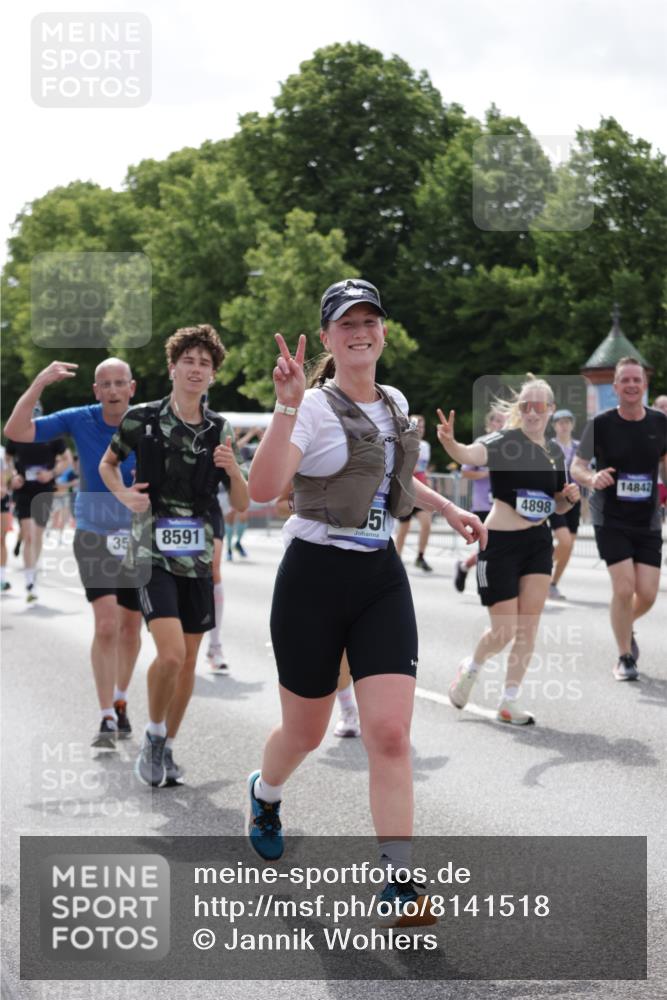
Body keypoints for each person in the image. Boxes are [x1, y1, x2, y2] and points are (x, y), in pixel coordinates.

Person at [245, 278, 485, 925]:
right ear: (326, 337)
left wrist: (449, 507)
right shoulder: (313, 408)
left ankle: (398, 882)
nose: (359, 331)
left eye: (369, 320)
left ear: (381, 331)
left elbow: (395, 481)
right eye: (344, 322)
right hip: (312, 580)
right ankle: (265, 794)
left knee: (388, 732)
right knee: (305, 731)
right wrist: (286, 407)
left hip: (379, 577)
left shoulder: (394, 401)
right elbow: (263, 490)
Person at [99, 324, 249, 786]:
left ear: (212, 375)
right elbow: (108, 463)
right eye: (189, 360)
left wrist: (233, 470)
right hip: (151, 552)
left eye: (205, 363)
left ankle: (164, 743)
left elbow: (242, 503)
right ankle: (152, 734)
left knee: (186, 662)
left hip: (198, 556)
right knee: (167, 656)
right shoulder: (141, 419)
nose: (197, 369)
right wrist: (124, 495)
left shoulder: (219, 428)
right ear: (173, 367)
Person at [4, 360, 144, 751]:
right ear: (96, 391)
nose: (113, 390)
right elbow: (15, 431)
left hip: (137, 536)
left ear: (131, 388)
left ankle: (121, 699)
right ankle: (104, 715)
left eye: (120, 383)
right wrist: (39, 383)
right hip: (93, 532)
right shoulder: (79, 418)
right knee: (105, 626)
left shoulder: (147, 421)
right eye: (105, 385)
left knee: (131, 628)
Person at [438, 375, 580, 725]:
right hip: (499, 544)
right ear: (520, 410)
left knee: (528, 628)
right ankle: (471, 668)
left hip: (537, 544)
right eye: (526, 406)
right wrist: (451, 443)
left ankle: (509, 699)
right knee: (503, 631)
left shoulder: (554, 452)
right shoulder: (505, 440)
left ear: (549, 409)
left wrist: (568, 498)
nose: (532, 412)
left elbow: (558, 504)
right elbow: (471, 454)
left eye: (539, 406)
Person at [571, 358, 667, 681]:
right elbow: (577, 466)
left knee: (649, 593)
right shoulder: (600, 424)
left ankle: (623, 623)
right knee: (624, 588)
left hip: (648, 519)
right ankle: (624, 656)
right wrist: (591, 477)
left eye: (636, 380)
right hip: (610, 516)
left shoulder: (660, 423)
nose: (631, 385)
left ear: (644, 385)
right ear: (615, 387)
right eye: (624, 380)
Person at [5, 402, 68, 604]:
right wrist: (12, 477)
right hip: (23, 490)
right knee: (30, 534)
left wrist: (51, 473)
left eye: (36, 412)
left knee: (37, 535)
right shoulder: (16, 434)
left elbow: (65, 460)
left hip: (44, 490)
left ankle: (33, 568)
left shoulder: (52, 434)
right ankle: (30, 580)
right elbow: (6, 460)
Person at [454, 408, 505, 592]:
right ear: (490, 423)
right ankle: (484, 586)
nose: (501, 424)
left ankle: (464, 566)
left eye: (504, 421)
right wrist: (486, 474)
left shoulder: (510, 446)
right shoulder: (481, 444)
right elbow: (465, 471)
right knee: (488, 547)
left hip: (503, 505)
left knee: (497, 547)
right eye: (498, 421)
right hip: (483, 504)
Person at [547, 409, 582, 601]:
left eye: (567, 421)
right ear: (554, 425)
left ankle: (552, 584)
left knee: (569, 546)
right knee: (565, 540)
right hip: (555, 499)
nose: (564, 425)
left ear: (572, 425)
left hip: (574, 500)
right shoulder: (549, 446)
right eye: (560, 422)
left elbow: (585, 470)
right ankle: (540, 566)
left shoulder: (579, 447)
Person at [394, 415, 434, 572]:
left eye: (423, 427)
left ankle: (420, 557)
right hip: (406, 490)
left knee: (427, 524)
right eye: (418, 427)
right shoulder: (405, 443)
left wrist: (428, 482)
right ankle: (397, 558)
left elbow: (423, 469)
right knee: (404, 527)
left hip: (421, 492)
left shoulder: (425, 446)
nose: (420, 430)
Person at [0, 443, 13, 592]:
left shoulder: (3, 451)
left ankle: (2, 578)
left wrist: (5, 485)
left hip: (2, 498)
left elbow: (9, 474)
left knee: (2, 539)